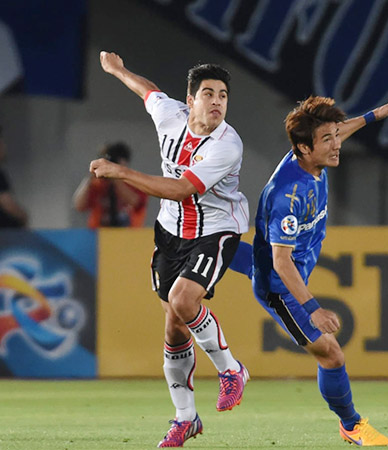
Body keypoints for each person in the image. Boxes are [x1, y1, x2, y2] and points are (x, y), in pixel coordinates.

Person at [91, 51, 250, 448]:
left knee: (183, 300)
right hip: (169, 234)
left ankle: (232, 370)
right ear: (190, 99)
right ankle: (185, 417)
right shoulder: (170, 115)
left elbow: (182, 190)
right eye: (209, 94)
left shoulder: (226, 144)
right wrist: (118, 69)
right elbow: (147, 90)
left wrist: (122, 172)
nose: (217, 102)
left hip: (216, 230)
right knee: (174, 325)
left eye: (224, 95)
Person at [251, 95, 388, 446]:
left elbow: (340, 130)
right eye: (328, 140)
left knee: (232, 252)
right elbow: (280, 262)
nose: (337, 145)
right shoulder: (290, 194)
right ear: (305, 148)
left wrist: (376, 114)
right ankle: (351, 425)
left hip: (287, 269)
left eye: (336, 135)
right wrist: (312, 309)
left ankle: (207, 249)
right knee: (331, 354)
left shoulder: (310, 158)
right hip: (280, 287)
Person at [73, 142, 148, 228]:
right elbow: (79, 206)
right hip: (100, 236)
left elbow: (135, 202)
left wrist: (116, 177)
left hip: (128, 235)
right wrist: (91, 177)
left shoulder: (134, 182)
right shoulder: (97, 184)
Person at [0, 125, 28, 228]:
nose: (4, 147)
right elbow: (6, 202)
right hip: (7, 237)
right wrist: (24, 216)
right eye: (2, 143)